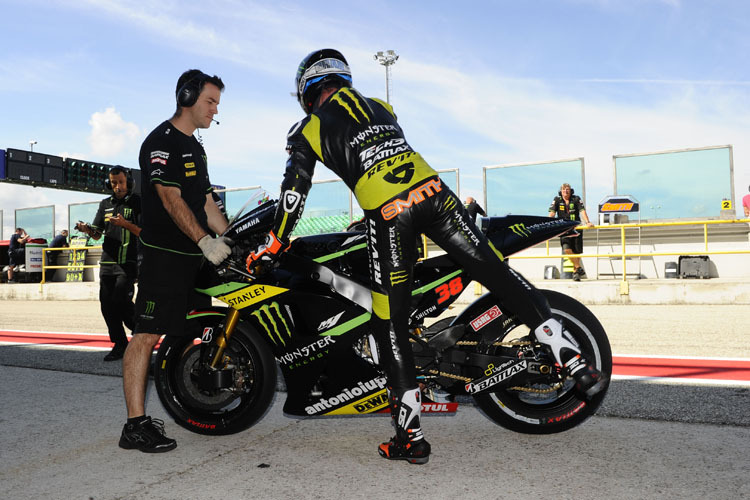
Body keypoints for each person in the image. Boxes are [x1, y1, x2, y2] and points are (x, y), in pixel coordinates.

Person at [245, 49, 607, 465]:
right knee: (498, 274)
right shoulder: (382, 106)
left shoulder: (307, 128)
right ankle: (573, 359)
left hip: (390, 212)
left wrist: (274, 242)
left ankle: (410, 437)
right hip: (436, 194)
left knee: (390, 321)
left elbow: (294, 194)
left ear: (307, 90)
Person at [118, 69, 230, 453]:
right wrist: (205, 240)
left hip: (195, 258)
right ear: (187, 97)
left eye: (217, 103)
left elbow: (204, 201)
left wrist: (228, 237)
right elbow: (170, 197)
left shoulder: (196, 147)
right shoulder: (160, 142)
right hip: (165, 257)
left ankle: (189, 406)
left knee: (189, 336)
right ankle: (134, 425)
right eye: (210, 101)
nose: (215, 110)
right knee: (147, 335)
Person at [75, 167, 141, 361]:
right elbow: (97, 232)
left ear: (128, 182)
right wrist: (86, 229)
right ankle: (120, 344)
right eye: (113, 183)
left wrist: (126, 224)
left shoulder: (138, 202)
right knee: (106, 306)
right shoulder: (105, 204)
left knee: (121, 302)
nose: (117, 186)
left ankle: (140, 334)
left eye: (120, 182)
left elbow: (143, 231)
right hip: (107, 263)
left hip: (128, 262)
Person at [548, 183, 594, 281]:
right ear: (561, 191)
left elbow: (582, 211)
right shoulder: (557, 200)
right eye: (564, 190)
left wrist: (588, 222)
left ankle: (576, 273)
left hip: (576, 228)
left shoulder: (576, 199)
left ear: (571, 190)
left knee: (577, 252)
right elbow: (552, 213)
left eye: (567, 189)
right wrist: (547, 224)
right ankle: (578, 267)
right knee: (567, 249)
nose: (565, 191)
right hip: (564, 229)